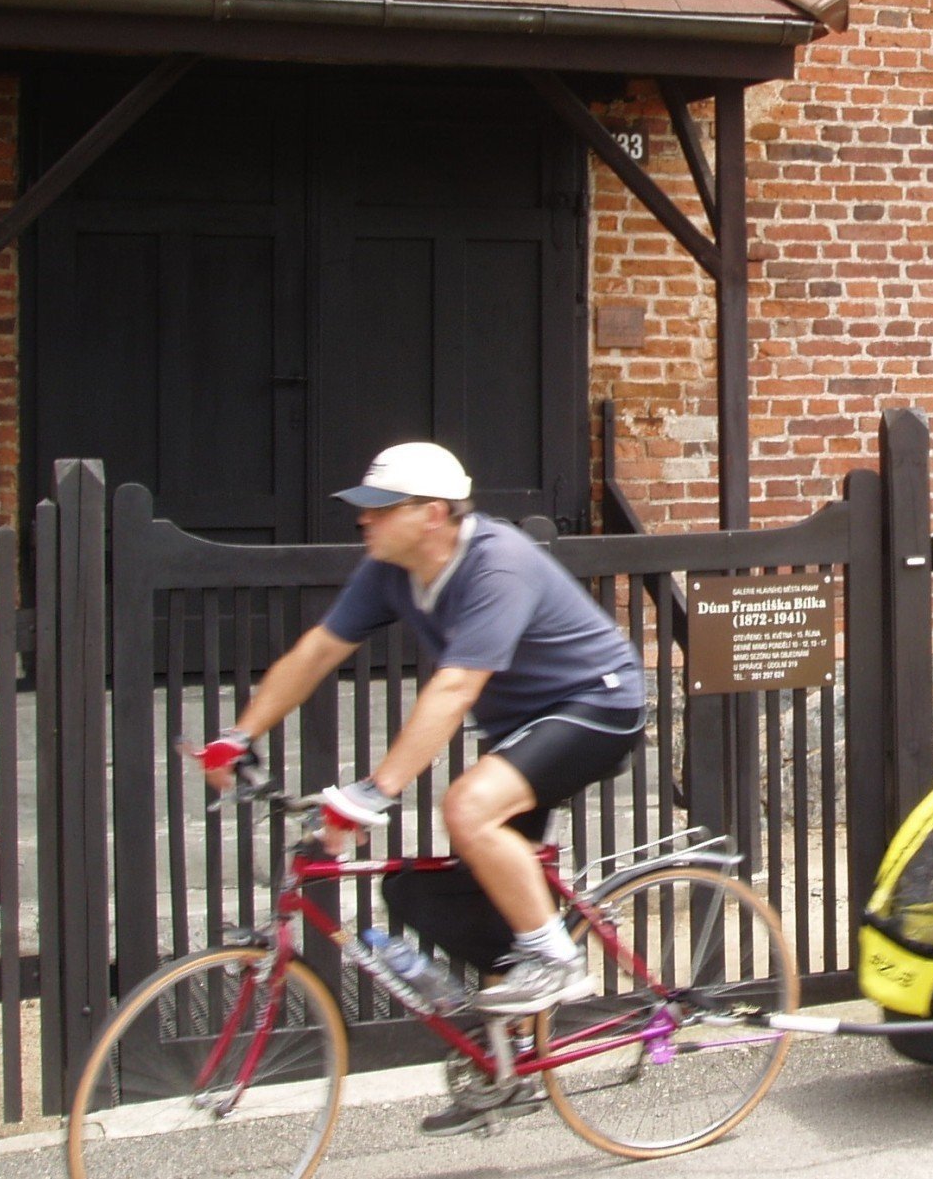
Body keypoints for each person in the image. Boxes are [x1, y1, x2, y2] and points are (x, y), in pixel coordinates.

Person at [194, 441, 646, 1128]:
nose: (364, 523)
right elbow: (317, 650)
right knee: (455, 894)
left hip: (596, 706)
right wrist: (239, 735)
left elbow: (456, 686)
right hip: (521, 727)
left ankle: (559, 960)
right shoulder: (391, 570)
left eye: (379, 509)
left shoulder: (497, 562)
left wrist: (373, 791)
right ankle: (507, 1069)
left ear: (433, 512)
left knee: (466, 805)